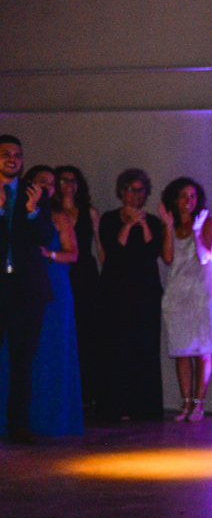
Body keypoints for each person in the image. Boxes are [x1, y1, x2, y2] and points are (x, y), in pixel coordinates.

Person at [13, 165, 83, 436]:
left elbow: (73, 254)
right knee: (25, 353)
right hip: (23, 287)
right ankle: (19, 418)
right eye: (43, 182)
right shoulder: (16, 213)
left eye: (52, 184)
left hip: (55, 285)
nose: (49, 188)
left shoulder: (58, 216)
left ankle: (52, 419)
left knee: (53, 349)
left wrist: (49, 254)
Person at [96, 169, 167, 421]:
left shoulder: (154, 222)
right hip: (115, 291)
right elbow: (113, 251)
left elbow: (152, 252)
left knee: (145, 348)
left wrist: (144, 223)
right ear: (121, 191)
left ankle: (144, 408)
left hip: (145, 291)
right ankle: (117, 407)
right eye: (130, 189)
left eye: (140, 190)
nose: (135, 195)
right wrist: (128, 224)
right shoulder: (109, 219)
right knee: (116, 348)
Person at [0, 136, 54, 443]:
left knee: (22, 359)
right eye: (5, 154)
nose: (12, 158)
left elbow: (45, 236)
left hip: (27, 289)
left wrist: (33, 210)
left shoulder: (36, 194)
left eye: (17, 155)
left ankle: (18, 422)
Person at [159, 177, 212, 422]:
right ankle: (185, 404)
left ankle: (199, 404)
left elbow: (206, 257)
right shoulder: (171, 225)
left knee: (202, 351)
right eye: (183, 196)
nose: (189, 201)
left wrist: (196, 232)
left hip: (202, 293)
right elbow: (167, 257)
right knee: (182, 351)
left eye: (193, 196)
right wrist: (167, 226)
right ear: (175, 199)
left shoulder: (207, 223)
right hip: (177, 294)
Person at [55, 165, 104, 409]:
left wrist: (107, 276)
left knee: (87, 331)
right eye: (63, 180)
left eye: (73, 181)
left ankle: (87, 394)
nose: (69, 185)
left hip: (85, 272)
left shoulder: (90, 212)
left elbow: (99, 245)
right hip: (60, 271)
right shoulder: (50, 212)